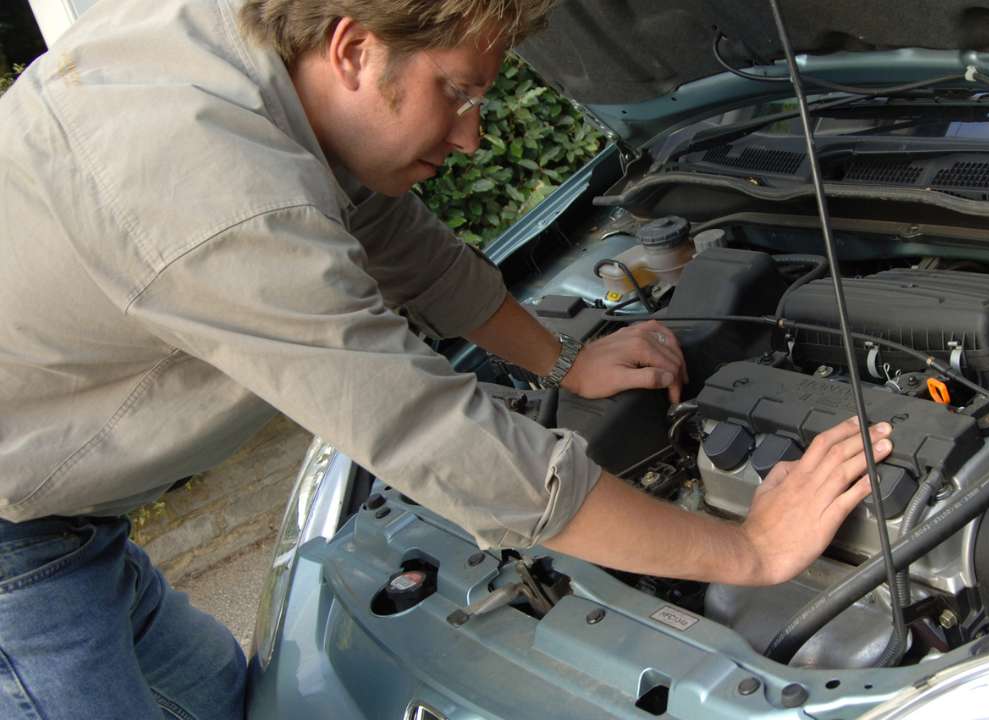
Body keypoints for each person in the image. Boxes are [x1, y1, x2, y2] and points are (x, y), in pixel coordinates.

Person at [0, 0, 894, 717]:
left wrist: (562, 364)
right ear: (354, 49)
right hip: (15, 553)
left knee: (248, 704)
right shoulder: (221, 204)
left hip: (80, 520)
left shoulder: (256, 50)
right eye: (458, 93)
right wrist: (751, 550)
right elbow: (440, 440)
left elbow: (396, 240)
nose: (470, 136)